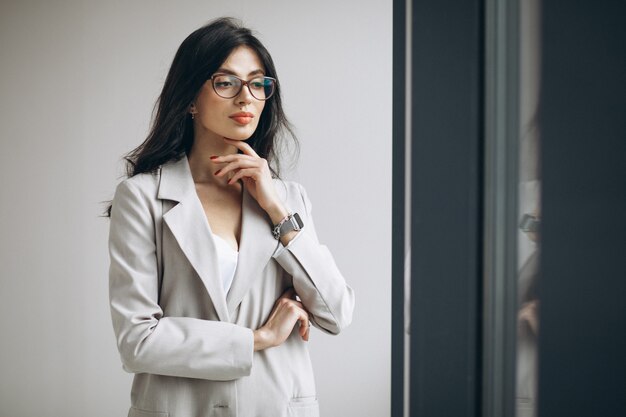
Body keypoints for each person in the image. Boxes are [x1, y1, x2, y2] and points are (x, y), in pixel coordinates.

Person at [105, 17, 355, 417]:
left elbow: (336, 312)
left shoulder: (288, 199)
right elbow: (137, 341)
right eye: (226, 82)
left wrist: (276, 210)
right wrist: (258, 337)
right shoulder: (142, 198)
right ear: (190, 97)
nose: (246, 98)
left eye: (258, 84)